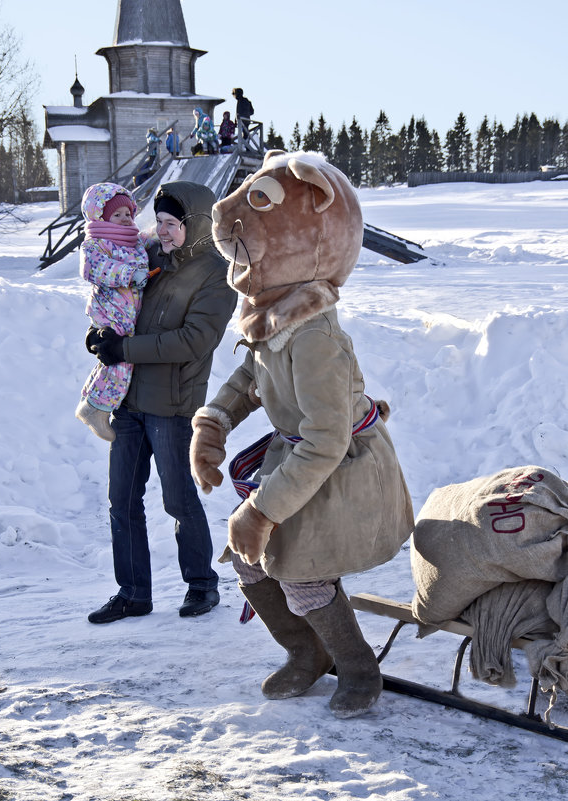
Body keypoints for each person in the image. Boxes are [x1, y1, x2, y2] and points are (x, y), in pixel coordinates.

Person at [190, 151, 413, 718]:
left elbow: (324, 442)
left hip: (337, 468)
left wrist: (260, 512)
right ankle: (306, 652)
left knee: (301, 572)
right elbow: (252, 376)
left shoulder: (314, 336)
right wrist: (213, 422)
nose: (230, 213)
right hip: (301, 460)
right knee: (248, 562)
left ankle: (359, 669)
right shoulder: (279, 315)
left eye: (260, 203)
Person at [86, 180, 238, 624]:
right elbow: (119, 303)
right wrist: (101, 336)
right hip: (130, 400)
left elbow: (194, 340)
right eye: (160, 222)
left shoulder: (216, 274)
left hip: (172, 405)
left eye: (173, 223)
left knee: (178, 499)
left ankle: (201, 585)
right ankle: (133, 593)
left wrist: (124, 349)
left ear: (196, 224)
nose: (163, 231)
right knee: (122, 500)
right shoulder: (149, 258)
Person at [75, 183, 151, 442]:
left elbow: (148, 241)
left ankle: (91, 400)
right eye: (116, 215)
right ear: (101, 217)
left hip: (128, 311)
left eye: (128, 214)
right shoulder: (96, 244)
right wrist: (130, 274)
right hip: (109, 310)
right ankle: (97, 409)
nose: (124, 219)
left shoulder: (135, 240)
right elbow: (92, 268)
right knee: (118, 359)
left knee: (112, 361)